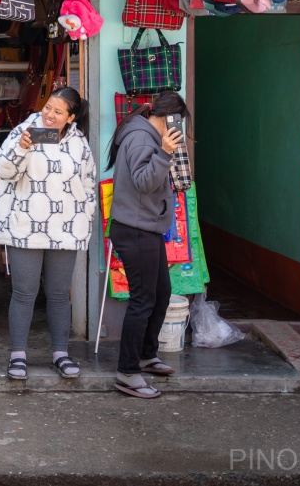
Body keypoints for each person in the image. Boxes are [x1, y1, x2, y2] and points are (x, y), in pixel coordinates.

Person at [0, 87, 96, 381]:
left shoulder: (79, 143)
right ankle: (18, 355)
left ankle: (61, 353)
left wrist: (84, 216)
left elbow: (88, 182)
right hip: (25, 227)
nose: (49, 115)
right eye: (48, 107)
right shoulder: (24, 131)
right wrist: (23, 147)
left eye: (58, 111)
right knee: (24, 294)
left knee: (60, 295)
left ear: (71, 117)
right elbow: (3, 171)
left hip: (66, 230)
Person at [105, 91, 188, 399]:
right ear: (168, 119)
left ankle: (145, 354)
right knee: (143, 300)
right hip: (136, 229)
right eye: (178, 122)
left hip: (146, 227)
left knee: (161, 293)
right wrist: (165, 152)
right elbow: (143, 181)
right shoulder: (142, 138)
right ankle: (127, 372)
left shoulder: (145, 132)